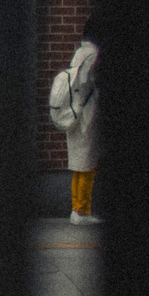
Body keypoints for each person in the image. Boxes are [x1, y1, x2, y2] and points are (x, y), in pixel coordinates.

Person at [50, 18, 99, 224]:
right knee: (88, 164)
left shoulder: (80, 52)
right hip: (85, 114)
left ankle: (76, 209)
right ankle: (82, 210)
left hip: (73, 113)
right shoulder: (93, 55)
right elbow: (87, 81)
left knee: (79, 165)